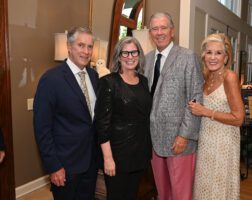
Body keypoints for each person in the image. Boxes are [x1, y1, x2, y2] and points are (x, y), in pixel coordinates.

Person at [33, 27, 99, 200]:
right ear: (69, 47)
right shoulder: (51, 79)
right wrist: (54, 166)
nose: (86, 51)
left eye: (90, 46)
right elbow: (42, 128)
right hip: (65, 165)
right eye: (81, 45)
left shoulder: (93, 76)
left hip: (90, 162)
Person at [144, 12, 203, 200]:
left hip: (179, 140)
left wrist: (184, 135)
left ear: (172, 31)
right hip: (153, 139)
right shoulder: (146, 59)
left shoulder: (187, 57)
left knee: (180, 194)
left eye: (163, 28)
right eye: (155, 28)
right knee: (163, 192)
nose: (159, 32)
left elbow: (195, 97)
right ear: (150, 32)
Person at [94, 37, 152, 200]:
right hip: (117, 156)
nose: (129, 56)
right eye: (125, 53)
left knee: (132, 196)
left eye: (133, 52)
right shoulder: (109, 82)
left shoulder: (144, 82)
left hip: (139, 154)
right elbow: (102, 124)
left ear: (139, 55)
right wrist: (108, 159)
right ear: (119, 57)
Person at [188, 33, 245, 200]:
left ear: (226, 57)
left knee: (218, 190)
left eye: (218, 53)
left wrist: (206, 111)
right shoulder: (206, 76)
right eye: (209, 52)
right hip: (205, 141)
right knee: (204, 188)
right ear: (204, 55)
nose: (213, 57)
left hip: (224, 143)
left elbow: (238, 118)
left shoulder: (230, 77)